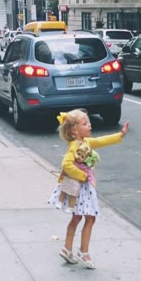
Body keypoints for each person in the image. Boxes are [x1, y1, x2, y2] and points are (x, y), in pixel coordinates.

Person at [48, 109, 129, 269]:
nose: (90, 125)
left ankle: (67, 249)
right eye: (85, 123)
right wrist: (83, 175)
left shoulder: (85, 142)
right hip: (81, 188)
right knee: (90, 218)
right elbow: (66, 164)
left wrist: (120, 135)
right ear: (74, 130)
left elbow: (100, 141)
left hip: (82, 189)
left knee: (77, 218)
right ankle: (83, 253)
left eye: (88, 122)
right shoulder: (75, 145)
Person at [56, 141, 100, 212]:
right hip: (68, 179)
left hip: (76, 182)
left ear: (86, 159)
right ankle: (60, 202)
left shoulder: (84, 167)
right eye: (78, 154)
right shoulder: (72, 161)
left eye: (82, 156)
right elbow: (65, 168)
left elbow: (90, 175)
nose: (79, 157)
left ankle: (71, 207)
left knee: (73, 195)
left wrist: (92, 182)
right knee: (63, 191)